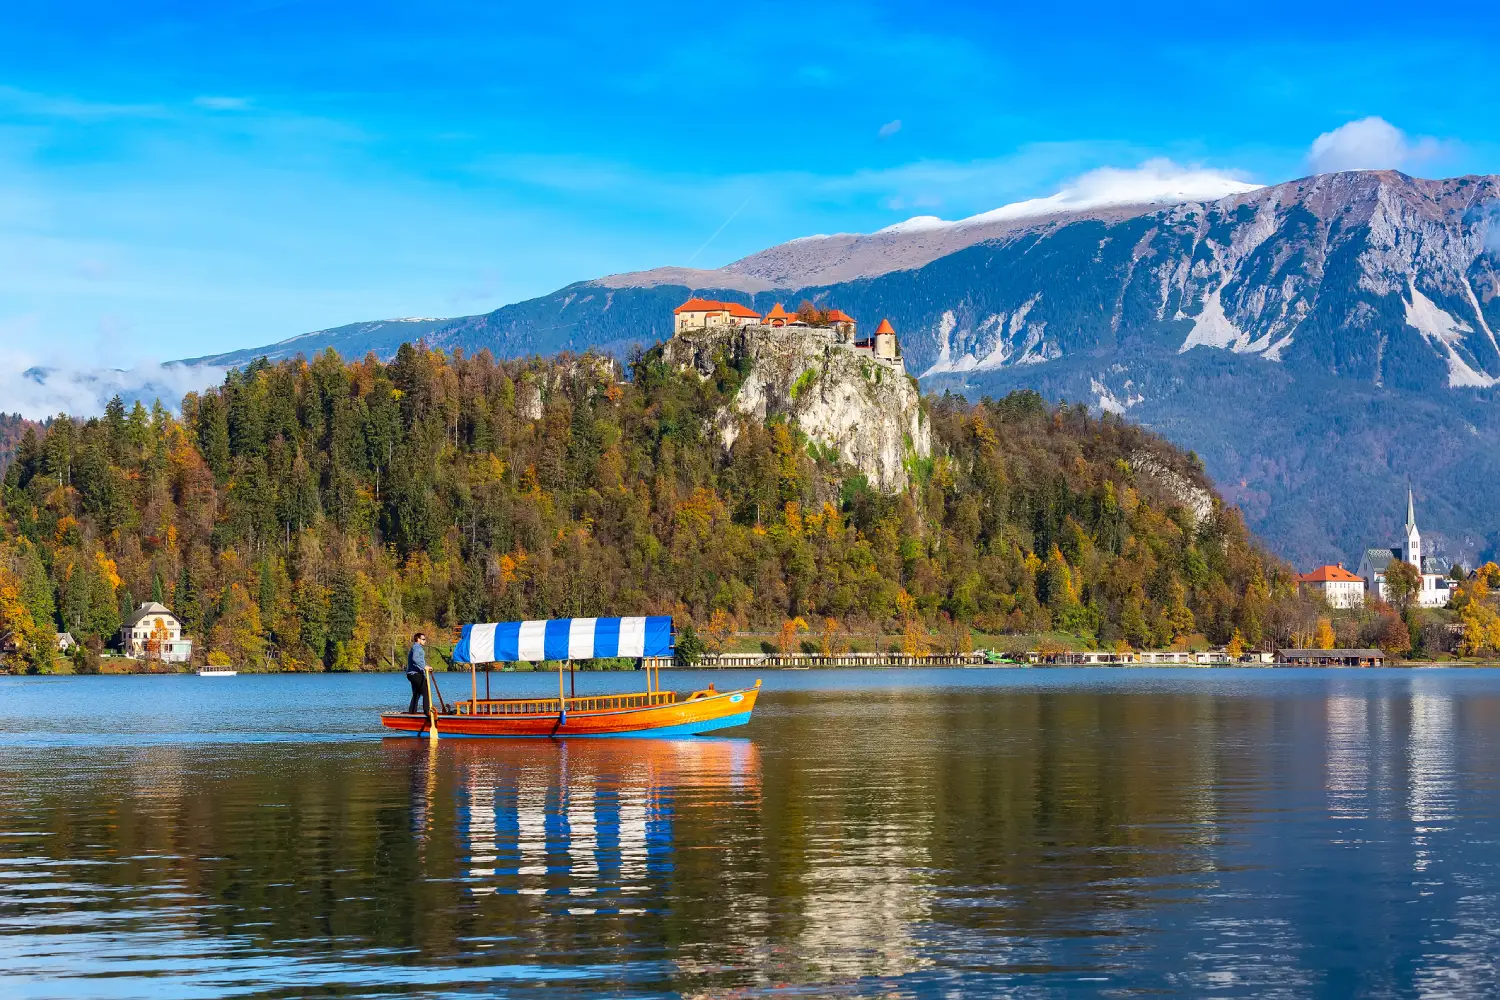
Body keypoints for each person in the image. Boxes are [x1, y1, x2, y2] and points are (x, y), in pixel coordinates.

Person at [405, 632, 430, 715]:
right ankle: (427, 712)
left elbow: (418, 660)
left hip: (411, 674)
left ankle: (412, 712)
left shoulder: (416, 647)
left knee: (417, 693)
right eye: (423, 639)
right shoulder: (417, 647)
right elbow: (415, 659)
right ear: (418, 639)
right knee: (426, 691)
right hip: (415, 674)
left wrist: (426, 666)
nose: (425, 641)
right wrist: (424, 666)